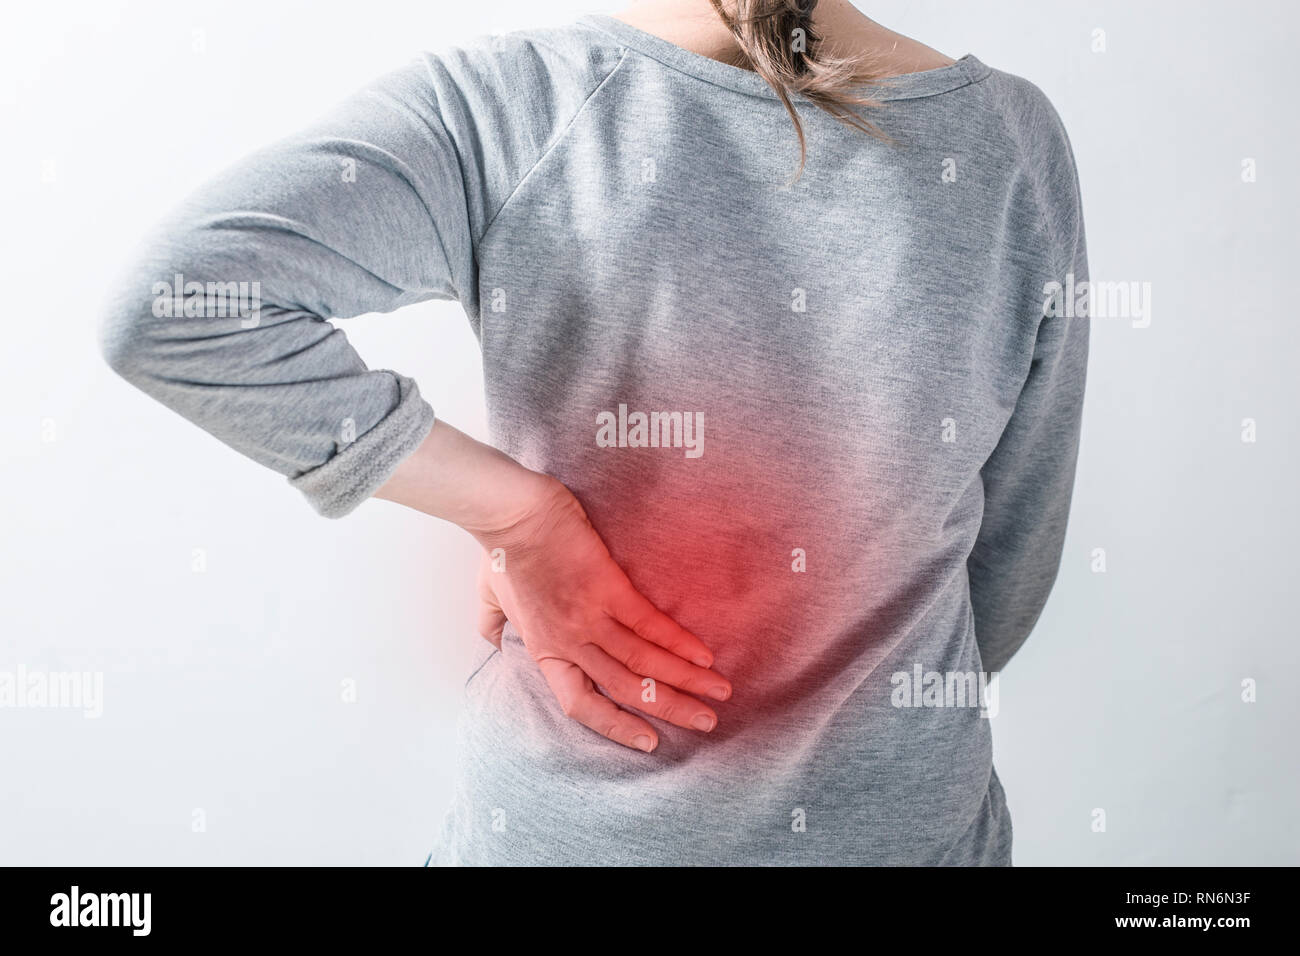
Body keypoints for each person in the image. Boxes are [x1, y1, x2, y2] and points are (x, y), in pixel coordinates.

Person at [100, 0, 1089, 865]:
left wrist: (519, 520)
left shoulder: (511, 102)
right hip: (901, 832)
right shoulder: (1008, 141)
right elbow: (1006, 568)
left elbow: (174, 305)